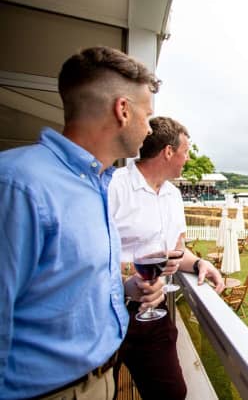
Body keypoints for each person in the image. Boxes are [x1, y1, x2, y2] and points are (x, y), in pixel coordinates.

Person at [0, 46, 165, 400]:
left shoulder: (97, 185)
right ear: (122, 110)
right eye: (147, 115)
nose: (150, 128)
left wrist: (128, 288)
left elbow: (61, 287)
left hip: (101, 381)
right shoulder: (18, 185)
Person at [108, 116, 225, 399]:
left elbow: (177, 249)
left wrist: (198, 263)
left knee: (171, 392)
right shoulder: (114, 186)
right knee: (104, 392)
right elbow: (95, 254)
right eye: (185, 152)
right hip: (108, 311)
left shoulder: (173, 195)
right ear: (168, 151)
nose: (186, 159)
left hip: (154, 310)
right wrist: (129, 277)